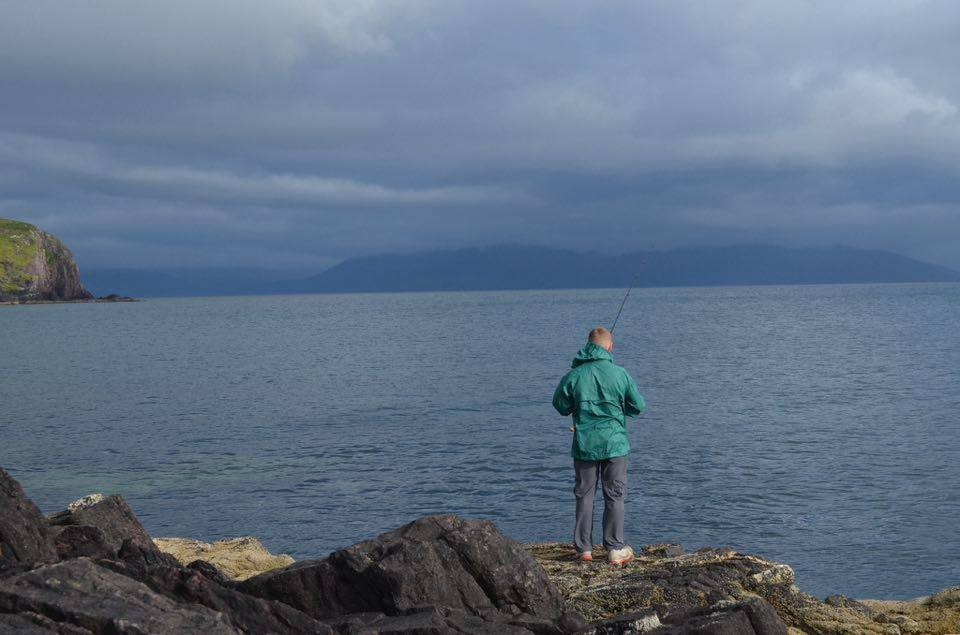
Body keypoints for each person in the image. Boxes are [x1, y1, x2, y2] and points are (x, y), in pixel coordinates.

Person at [552, 326, 645, 565]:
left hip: (585, 444)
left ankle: (584, 549)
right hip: (615, 443)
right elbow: (638, 406)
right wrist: (618, 408)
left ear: (588, 346)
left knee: (584, 495)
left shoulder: (575, 375)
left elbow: (561, 406)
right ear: (610, 347)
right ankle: (614, 547)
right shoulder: (620, 374)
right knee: (615, 495)